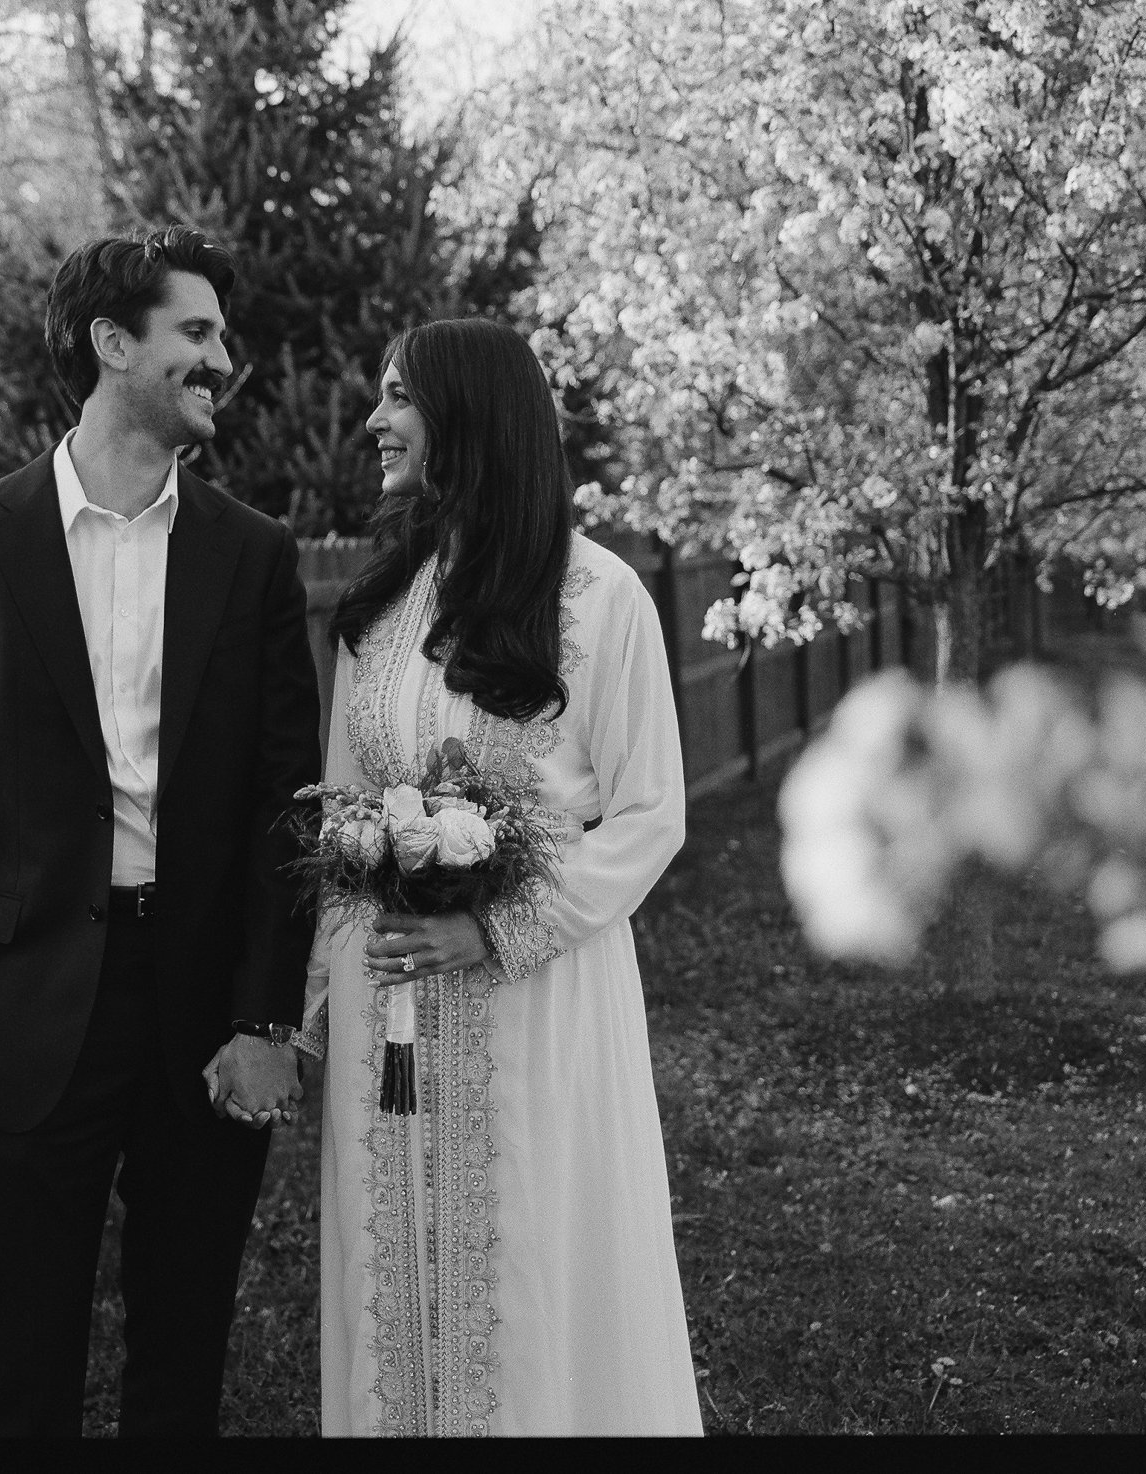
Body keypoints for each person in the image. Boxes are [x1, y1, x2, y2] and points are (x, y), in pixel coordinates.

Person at [0, 226, 323, 1437]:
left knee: (182, 1357)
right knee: (21, 1360)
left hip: (202, 1008)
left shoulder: (254, 555)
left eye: (221, 336)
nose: (222, 358)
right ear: (111, 343)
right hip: (33, 1009)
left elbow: (289, 804)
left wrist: (265, 1015)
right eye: (196, 333)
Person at [298, 318, 702, 1436]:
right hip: (390, 1023)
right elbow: (339, 816)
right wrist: (314, 1018)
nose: (374, 421)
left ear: (468, 414)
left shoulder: (599, 597)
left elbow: (652, 812)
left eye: (397, 398)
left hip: (544, 1005)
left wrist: (496, 928)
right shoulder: (377, 616)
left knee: (532, 1274)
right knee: (396, 1298)